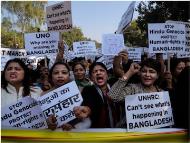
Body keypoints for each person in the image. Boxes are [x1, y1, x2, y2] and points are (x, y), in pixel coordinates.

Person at [108, 58, 164, 127]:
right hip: (132, 135)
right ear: (139, 73)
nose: (147, 74)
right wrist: (129, 72)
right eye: (144, 71)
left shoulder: (162, 93)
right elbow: (112, 96)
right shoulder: (132, 89)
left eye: (151, 72)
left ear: (157, 75)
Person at [42, 62, 91, 131]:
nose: (60, 76)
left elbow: (86, 118)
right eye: (56, 73)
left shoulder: (79, 92)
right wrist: (47, 123)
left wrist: (74, 127)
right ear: (51, 76)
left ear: (69, 75)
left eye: (64, 73)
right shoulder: (43, 96)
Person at [81, 62, 119, 128]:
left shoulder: (114, 84)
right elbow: (90, 105)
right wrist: (88, 110)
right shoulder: (87, 90)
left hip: (119, 130)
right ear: (91, 78)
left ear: (107, 75)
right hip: (98, 132)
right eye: (95, 71)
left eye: (102, 70)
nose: (98, 73)